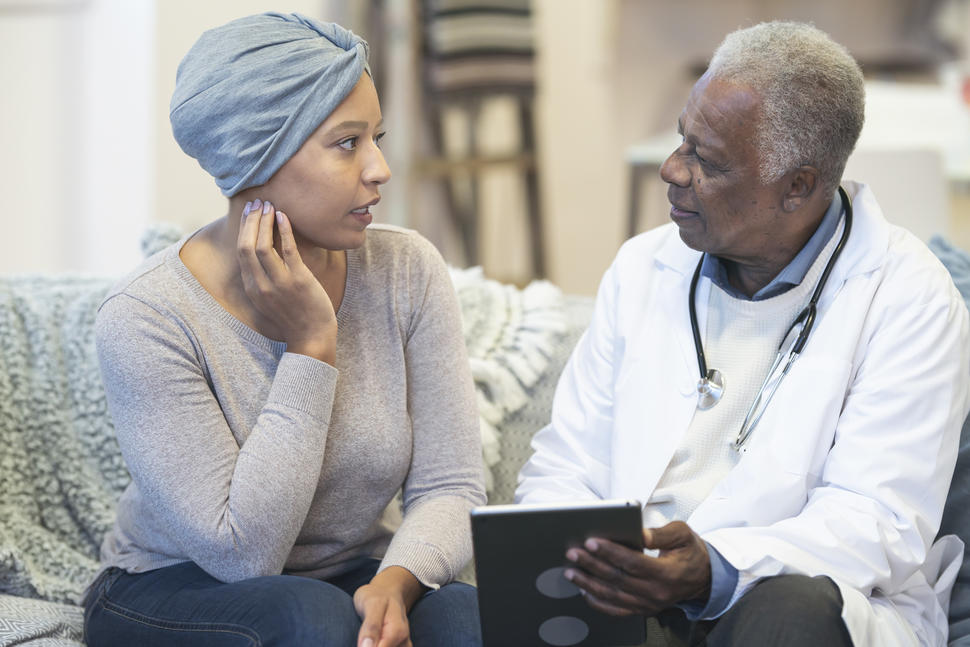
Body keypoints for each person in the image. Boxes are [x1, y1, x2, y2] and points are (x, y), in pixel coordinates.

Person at [516, 20, 970, 647]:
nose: (673, 171)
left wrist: (714, 570)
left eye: (708, 160)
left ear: (798, 187)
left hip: (791, 603)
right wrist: (564, 556)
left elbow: (878, 524)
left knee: (789, 613)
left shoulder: (908, 297)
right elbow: (568, 463)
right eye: (682, 141)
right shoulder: (643, 266)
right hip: (623, 605)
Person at [82, 12, 486, 647]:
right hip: (173, 586)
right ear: (254, 155)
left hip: (346, 576)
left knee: (468, 616)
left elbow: (452, 483)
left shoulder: (407, 269)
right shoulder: (146, 315)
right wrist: (310, 346)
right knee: (310, 620)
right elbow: (243, 555)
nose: (380, 169)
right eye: (347, 143)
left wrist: (397, 582)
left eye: (376, 137)